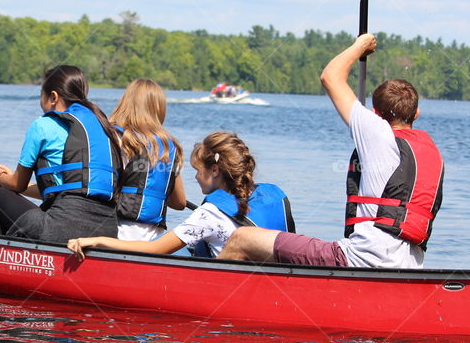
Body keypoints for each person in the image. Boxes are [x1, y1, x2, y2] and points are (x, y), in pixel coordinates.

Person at [220, 33, 444, 268]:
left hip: (361, 258)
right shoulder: (431, 152)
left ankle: (216, 298)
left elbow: (330, 76)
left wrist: (360, 46)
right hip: (409, 264)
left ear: (375, 113)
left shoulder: (377, 131)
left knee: (241, 238)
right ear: (416, 114)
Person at [67, 131, 294, 259]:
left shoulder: (210, 214)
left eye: (197, 170)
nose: (195, 177)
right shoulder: (272, 194)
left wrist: (98, 240)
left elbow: (153, 250)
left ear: (215, 170)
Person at [0, 65, 122, 243]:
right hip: (106, 230)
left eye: (41, 94)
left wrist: (0, 179)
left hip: (63, 227)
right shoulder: (104, 127)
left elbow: (17, 183)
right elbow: (63, 190)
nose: (40, 101)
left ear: (53, 97)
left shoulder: (43, 125)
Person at [109, 78, 186, 241]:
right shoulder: (169, 147)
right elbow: (180, 203)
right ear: (158, 110)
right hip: (152, 238)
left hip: (117, 231)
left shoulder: (118, 139)